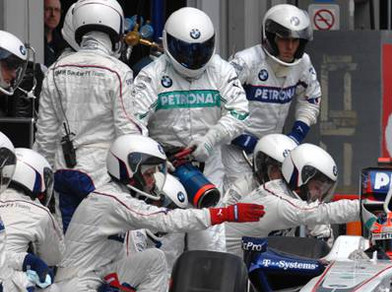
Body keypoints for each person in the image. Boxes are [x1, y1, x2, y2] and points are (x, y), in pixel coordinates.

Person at [55, 134, 264, 292]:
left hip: (93, 279)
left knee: (154, 258)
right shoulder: (112, 200)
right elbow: (164, 219)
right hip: (75, 288)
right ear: (129, 172)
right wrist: (224, 213)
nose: (153, 180)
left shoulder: (116, 197)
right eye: (147, 174)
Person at [133, 6, 249, 255]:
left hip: (209, 169)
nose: (194, 56)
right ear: (169, 43)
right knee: (164, 248)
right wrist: (156, 158)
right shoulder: (151, 75)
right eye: (185, 49)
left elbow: (240, 112)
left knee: (209, 246)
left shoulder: (221, 70)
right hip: (165, 172)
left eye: (200, 49)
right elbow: (133, 123)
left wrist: (210, 139)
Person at [34, 0, 144, 234]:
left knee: (67, 247)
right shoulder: (118, 71)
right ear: (115, 27)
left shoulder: (55, 70)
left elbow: (44, 136)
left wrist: (40, 185)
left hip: (63, 172)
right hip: (103, 176)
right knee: (106, 254)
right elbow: (128, 133)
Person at [223, 4, 321, 201]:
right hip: (236, 150)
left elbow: (311, 99)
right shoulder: (245, 62)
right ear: (270, 37)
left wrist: (295, 137)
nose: (290, 47)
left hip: (274, 152)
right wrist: (239, 137)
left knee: (277, 202)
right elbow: (218, 102)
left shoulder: (303, 63)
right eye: (284, 39)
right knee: (238, 202)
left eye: (295, 41)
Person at [0, 132, 70, 292]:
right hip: (10, 287)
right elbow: (55, 259)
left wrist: (22, 259)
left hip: (8, 280)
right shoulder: (40, 212)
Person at [224, 143, 359, 258]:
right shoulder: (275, 201)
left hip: (240, 268)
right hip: (221, 270)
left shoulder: (288, 196)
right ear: (300, 178)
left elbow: (323, 239)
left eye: (324, 190)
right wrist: (364, 206)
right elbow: (319, 213)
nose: (319, 195)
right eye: (317, 187)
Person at [222, 133, 297, 206]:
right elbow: (225, 212)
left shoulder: (298, 189)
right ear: (263, 168)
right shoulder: (241, 188)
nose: (284, 176)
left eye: (288, 170)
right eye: (277, 170)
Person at [44, 0, 65, 66]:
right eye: (48, 9)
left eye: (57, 10)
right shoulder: (34, 41)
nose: (53, 14)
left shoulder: (64, 45)